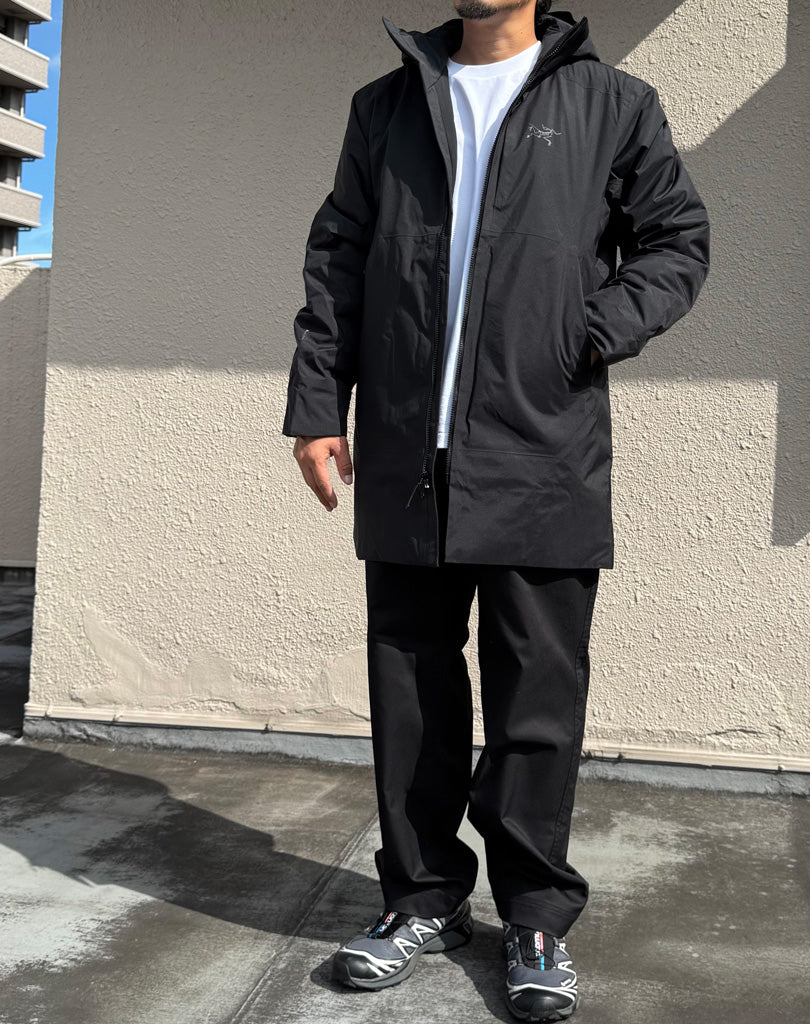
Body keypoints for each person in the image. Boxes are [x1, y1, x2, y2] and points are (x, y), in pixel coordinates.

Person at [282, 0, 710, 1018]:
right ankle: (422, 898)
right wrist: (317, 405)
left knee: (536, 702)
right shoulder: (385, 106)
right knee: (411, 696)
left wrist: (585, 331)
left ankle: (534, 915)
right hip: (406, 452)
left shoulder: (612, 105)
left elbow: (677, 242)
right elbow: (339, 255)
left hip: (540, 451)